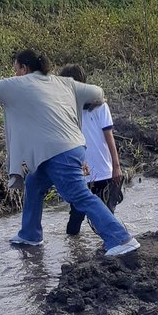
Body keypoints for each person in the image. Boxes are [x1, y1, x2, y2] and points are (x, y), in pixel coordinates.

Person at [0, 50, 140, 257]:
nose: (14, 74)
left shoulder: (17, 84)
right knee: (34, 183)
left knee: (79, 195)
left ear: (24, 68)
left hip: (59, 152)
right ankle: (30, 235)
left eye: (16, 70)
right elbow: (96, 91)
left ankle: (120, 238)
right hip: (65, 150)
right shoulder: (61, 83)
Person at [58, 63, 123, 236]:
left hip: (103, 170)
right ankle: (75, 250)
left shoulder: (100, 106)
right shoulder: (66, 110)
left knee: (105, 216)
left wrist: (116, 166)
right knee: (75, 219)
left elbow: (109, 138)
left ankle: (108, 248)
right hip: (80, 171)